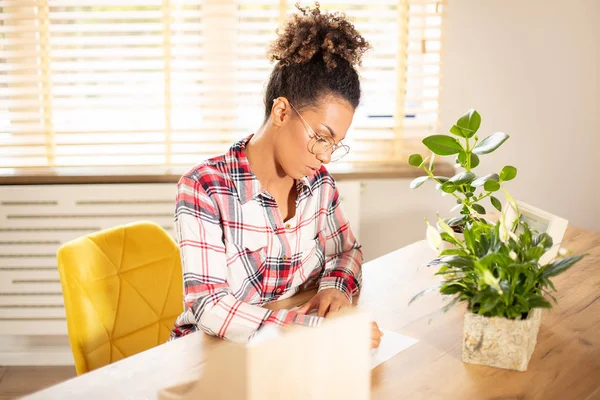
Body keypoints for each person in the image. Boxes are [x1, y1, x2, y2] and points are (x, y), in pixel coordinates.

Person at [170, 3, 383, 349]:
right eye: (321, 137)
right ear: (281, 111)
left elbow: (347, 251)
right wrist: (314, 329)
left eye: (336, 144)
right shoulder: (205, 188)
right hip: (212, 353)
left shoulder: (318, 184)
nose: (326, 156)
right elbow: (209, 306)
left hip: (288, 348)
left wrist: (335, 286)